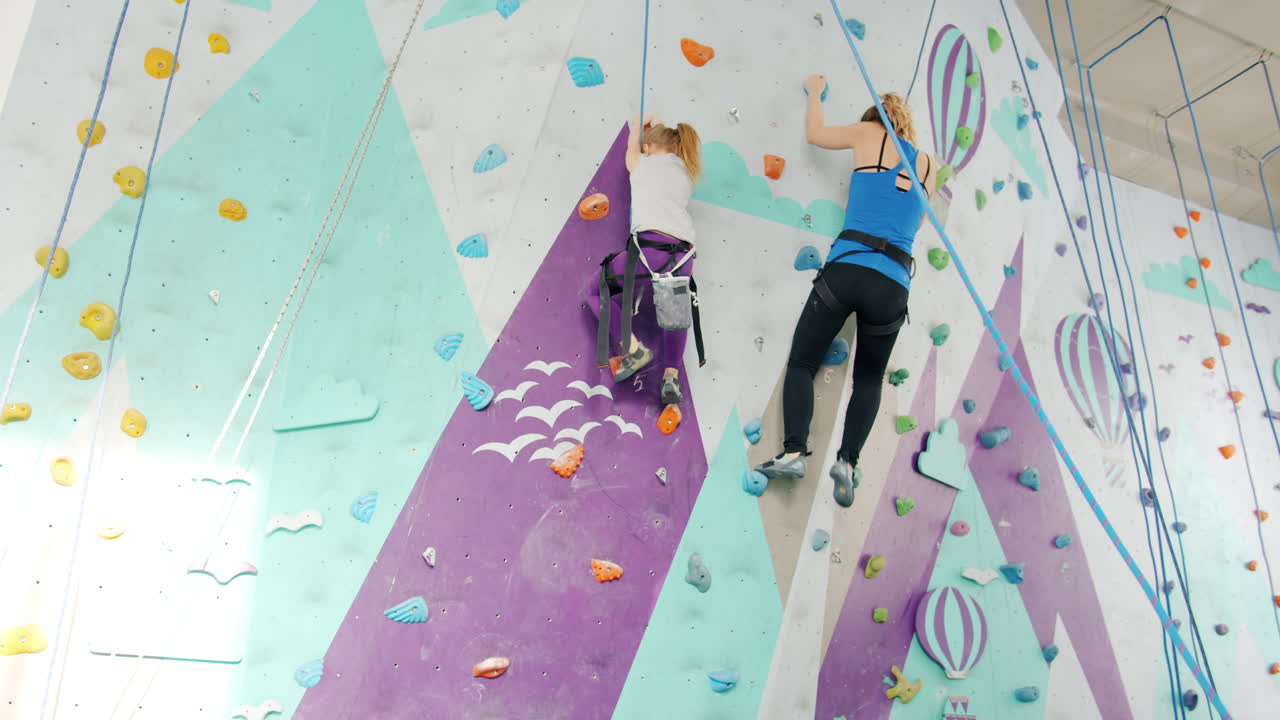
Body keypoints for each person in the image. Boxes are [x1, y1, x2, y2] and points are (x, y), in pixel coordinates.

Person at [755, 75, 935, 508]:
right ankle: (847, 462)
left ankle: (795, 451)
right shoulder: (927, 164)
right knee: (869, 379)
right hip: (894, 284)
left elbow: (816, 134)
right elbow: (917, 222)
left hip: (848, 268)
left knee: (803, 362)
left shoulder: (870, 131)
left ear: (876, 119)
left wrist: (816, 93)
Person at [590, 112, 704, 407]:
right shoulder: (688, 172)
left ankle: (633, 349)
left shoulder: (643, 163)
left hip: (647, 251)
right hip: (681, 256)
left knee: (596, 291)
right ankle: (671, 376)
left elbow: (632, 152)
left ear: (651, 146)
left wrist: (634, 129)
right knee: (674, 319)